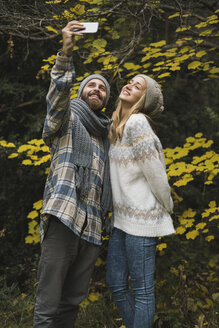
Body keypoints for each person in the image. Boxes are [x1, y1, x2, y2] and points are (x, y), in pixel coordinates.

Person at [33, 21, 112, 328]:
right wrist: (66, 51)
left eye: (103, 87)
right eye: (91, 85)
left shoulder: (106, 138)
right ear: (81, 92)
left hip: (92, 229)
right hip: (64, 216)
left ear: (106, 99)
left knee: (71, 304)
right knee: (48, 302)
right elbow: (57, 97)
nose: (97, 89)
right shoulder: (66, 119)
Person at [106, 74, 175, 328]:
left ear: (143, 99)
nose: (129, 86)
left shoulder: (137, 123)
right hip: (121, 220)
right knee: (115, 283)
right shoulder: (116, 126)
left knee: (143, 290)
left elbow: (156, 172)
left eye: (138, 87)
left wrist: (167, 206)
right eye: (131, 82)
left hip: (143, 218)